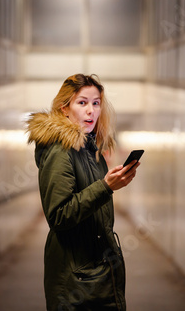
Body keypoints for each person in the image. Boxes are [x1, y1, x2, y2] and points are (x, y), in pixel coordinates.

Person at [26, 74, 140, 310]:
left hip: (96, 274)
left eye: (96, 103)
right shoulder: (61, 151)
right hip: (77, 282)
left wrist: (111, 184)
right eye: (82, 103)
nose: (91, 111)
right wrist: (106, 187)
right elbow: (58, 215)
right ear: (64, 108)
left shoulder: (89, 150)